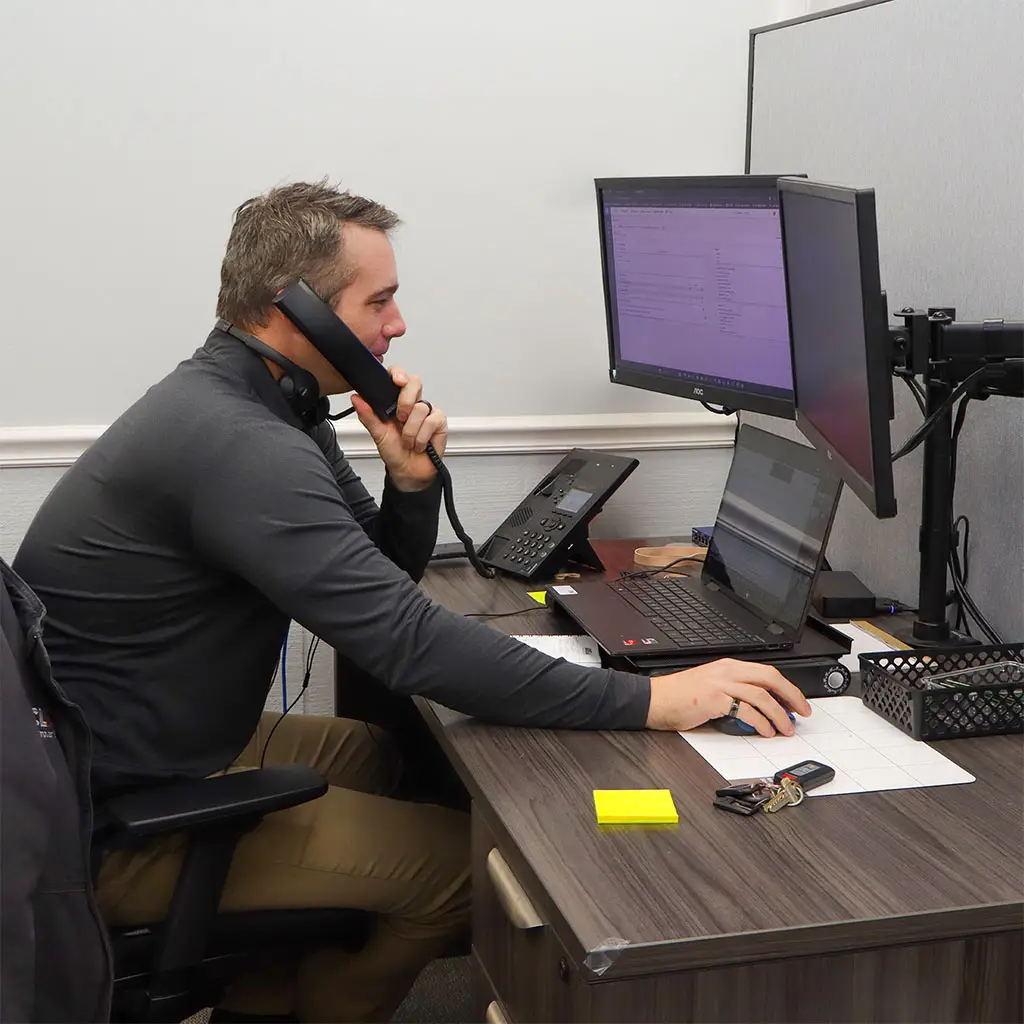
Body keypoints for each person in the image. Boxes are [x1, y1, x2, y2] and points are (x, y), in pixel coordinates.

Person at [12, 180, 809, 1023]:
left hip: (118, 744)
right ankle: (304, 1004)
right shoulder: (239, 444)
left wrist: (409, 480)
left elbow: (382, 577)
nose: (398, 325)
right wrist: (653, 697)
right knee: (463, 869)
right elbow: (406, 644)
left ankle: (269, 975)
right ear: (300, 312)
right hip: (99, 821)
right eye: (380, 301)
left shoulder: (261, 399)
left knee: (374, 754)